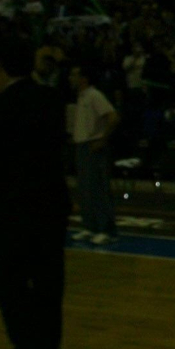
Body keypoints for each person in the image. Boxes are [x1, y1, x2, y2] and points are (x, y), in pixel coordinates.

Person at [0, 45, 69, 349]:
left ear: (0, 72)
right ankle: (48, 348)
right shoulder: (50, 98)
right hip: (50, 201)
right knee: (48, 277)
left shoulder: (0, 107)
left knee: (9, 278)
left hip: (11, 206)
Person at [70, 64, 119, 243]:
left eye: (75, 75)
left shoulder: (94, 95)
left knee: (97, 189)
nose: (71, 78)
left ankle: (107, 230)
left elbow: (113, 117)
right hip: (82, 146)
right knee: (85, 190)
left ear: (84, 78)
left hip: (92, 147)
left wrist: (102, 139)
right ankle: (90, 227)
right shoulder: (82, 96)